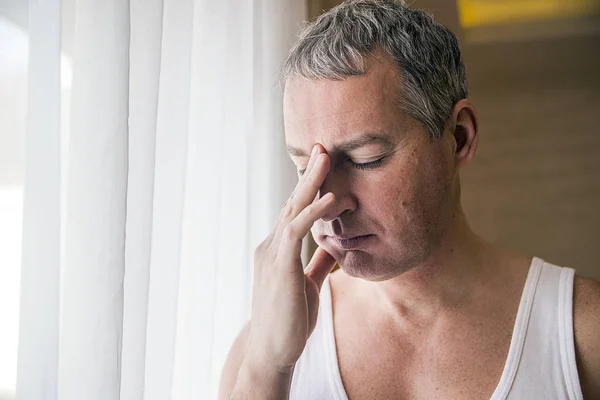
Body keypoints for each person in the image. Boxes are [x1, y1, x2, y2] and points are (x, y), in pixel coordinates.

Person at [220, 0, 600, 398]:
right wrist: (268, 368)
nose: (328, 202)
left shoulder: (583, 336)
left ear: (459, 138)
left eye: (367, 159)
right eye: (305, 168)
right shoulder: (261, 354)